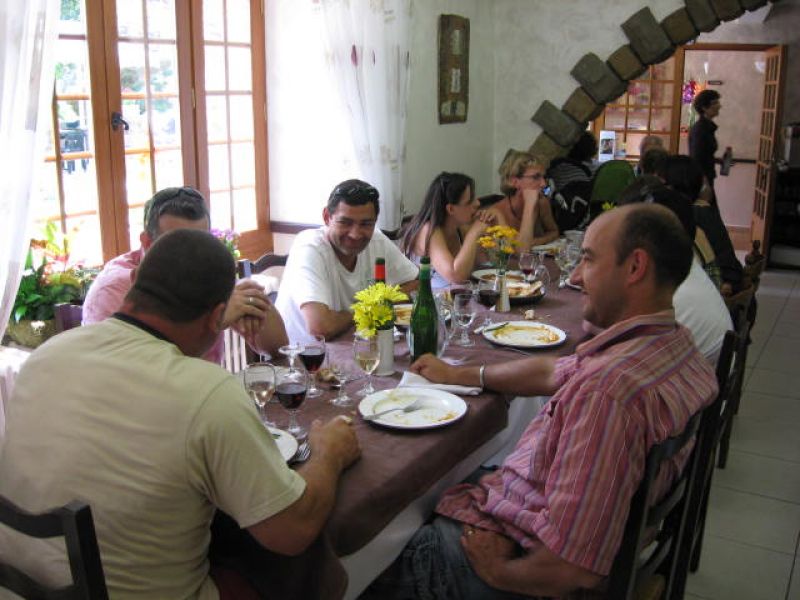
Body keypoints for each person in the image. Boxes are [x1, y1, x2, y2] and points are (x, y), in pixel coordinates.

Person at [364, 204, 718, 599]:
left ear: (635, 267)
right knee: (440, 485)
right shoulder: (674, 345)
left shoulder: (608, 394)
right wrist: (460, 375)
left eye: (588, 259)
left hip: (523, 568)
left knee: (363, 560)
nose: (576, 276)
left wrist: (500, 573)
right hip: (539, 517)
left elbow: (570, 571)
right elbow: (553, 371)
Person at [0, 228, 360, 598]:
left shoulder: (48, 354)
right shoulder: (207, 392)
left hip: (20, 587)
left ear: (135, 279)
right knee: (278, 573)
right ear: (218, 316)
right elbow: (293, 532)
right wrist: (328, 453)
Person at [82, 186, 288, 362]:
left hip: (205, 390)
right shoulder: (114, 289)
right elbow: (133, 371)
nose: (191, 255)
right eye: (176, 244)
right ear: (146, 242)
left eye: (200, 242)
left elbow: (279, 349)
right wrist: (212, 322)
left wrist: (253, 301)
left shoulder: (204, 264)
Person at [275, 179, 419, 343]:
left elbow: (417, 283)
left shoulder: (377, 240)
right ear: (327, 217)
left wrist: (381, 304)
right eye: (345, 222)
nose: (355, 234)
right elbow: (320, 327)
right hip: (304, 354)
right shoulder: (309, 247)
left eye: (366, 224)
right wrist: (370, 308)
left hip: (356, 345)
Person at [618, 174, 732, 365]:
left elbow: (621, 359)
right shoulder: (681, 266)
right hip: (696, 370)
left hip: (687, 378)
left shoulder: (666, 294)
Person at [398, 172, 503, 289]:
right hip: (419, 299)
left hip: (451, 298)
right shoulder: (428, 230)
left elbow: (487, 265)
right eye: (469, 201)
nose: (477, 203)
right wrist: (474, 233)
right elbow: (456, 276)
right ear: (451, 209)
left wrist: (494, 230)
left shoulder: (461, 229)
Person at [491, 151, 560, 250]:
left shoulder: (541, 203)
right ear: (514, 181)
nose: (543, 184)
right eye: (536, 177)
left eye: (543, 177)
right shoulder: (497, 212)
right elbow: (518, 251)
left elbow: (554, 232)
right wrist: (529, 204)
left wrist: (537, 241)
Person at [689, 89, 723, 200]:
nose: (719, 106)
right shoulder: (701, 129)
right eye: (715, 103)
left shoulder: (706, 127)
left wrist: (717, 160)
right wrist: (703, 182)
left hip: (706, 177)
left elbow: (704, 154)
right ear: (704, 107)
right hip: (702, 180)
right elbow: (697, 157)